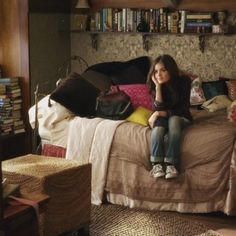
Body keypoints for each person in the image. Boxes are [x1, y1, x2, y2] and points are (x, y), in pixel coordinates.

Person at [147, 54, 192, 179]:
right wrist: (158, 87)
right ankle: (156, 164)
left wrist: (159, 113)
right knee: (158, 130)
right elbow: (158, 108)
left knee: (173, 120)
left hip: (182, 117)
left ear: (171, 70)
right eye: (156, 71)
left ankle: (171, 164)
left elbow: (183, 109)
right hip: (164, 117)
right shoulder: (155, 84)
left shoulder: (184, 81)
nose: (158, 75)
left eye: (163, 70)